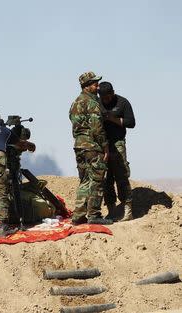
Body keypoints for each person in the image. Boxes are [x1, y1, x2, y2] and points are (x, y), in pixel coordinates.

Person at [69, 72, 112, 225]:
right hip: (93, 146)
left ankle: (79, 215)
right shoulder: (92, 103)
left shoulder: (75, 103)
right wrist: (106, 147)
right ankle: (94, 215)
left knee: (85, 181)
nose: (97, 86)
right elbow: (97, 128)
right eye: (95, 83)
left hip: (79, 146)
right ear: (87, 86)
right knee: (97, 180)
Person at [98, 81, 136, 221]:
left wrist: (112, 119)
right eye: (103, 98)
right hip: (101, 145)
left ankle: (127, 210)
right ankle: (111, 210)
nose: (106, 100)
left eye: (108, 97)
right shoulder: (97, 103)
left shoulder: (122, 102)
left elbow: (131, 122)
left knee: (121, 175)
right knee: (106, 178)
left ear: (112, 93)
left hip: (117, 143)